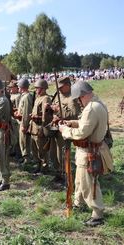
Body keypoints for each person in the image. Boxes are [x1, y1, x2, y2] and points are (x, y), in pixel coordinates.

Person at [59, 81, 113, 227]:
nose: (79, 102)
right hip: (90, 149)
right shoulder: (98, 104)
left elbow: (83, 133)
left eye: (78, 99)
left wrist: (66, 131)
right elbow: (87, 124)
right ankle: (79, 203)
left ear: (83, 95)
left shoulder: (91, 108)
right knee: (80, 180)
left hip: (89, 151)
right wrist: (72, 122)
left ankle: (97, 214)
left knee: (89, 184)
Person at [49, 76, 81, 182]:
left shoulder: (74, 97)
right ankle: (58, 171)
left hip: (67, 128)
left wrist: (59, 110)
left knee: (63, 153)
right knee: (54, 152)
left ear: (68, 85)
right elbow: (54, 108)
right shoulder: (59, 95)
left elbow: (74, 114)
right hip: (56, 128)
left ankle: (65, 174)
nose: (59, 89)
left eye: (61, 87)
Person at [29, 79, 52, 174]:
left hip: (40, 128)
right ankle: (38, 165)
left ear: (42, 89)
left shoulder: (45, 98)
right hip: (34, 127)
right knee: (35, 149)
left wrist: (43, 128)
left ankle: (44, 168)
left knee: (42, 150)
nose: (36, 90)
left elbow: (45, 116)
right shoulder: (38, 98)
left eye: (37, 88)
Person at [14, 78, 33, 165]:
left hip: (23, 122)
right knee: (22, 141)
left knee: (24, 141)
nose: (18, 88)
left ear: (22, 87)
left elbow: (26, 112)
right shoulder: (24, 96)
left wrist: (24, 125)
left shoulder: (26, 97)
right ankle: (25, 157)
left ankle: (27, 159)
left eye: (19, 86)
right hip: (21, 121)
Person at [8, 80, 22, 162]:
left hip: (16, 119)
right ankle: (13, 150)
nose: (10, 89)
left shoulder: (18, 96)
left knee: (16, 136)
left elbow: (18, 108)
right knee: (12, 136)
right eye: (10, 87)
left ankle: (18, 153)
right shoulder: (11, 95)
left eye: (12, 87)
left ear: (16, 88)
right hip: (11, 118)